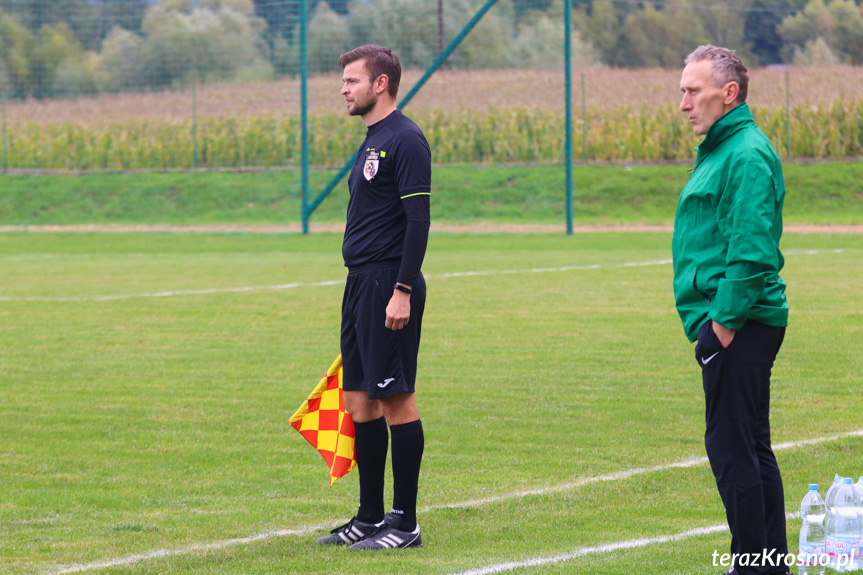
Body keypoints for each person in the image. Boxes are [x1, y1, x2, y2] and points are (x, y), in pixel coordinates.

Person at [673, 45, 790, 575]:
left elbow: (751, 252)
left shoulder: (743, 153)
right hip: (736, 321)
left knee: (732, 450)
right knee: (749, 446)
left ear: (729, 93)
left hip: (739, 323)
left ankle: (753, 565)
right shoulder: (723, 148)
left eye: (692, 91)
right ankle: (769, 563)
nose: (683, 103)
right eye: (682, 91)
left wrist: (719, 327)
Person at [316, 45, 431, 550]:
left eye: (351, 81)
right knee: (359, 399)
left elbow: (418, 221)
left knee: (395, 398)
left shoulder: (405, 139)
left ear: (379, 84)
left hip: (389, 283)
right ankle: (368, 517)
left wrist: (403, 289)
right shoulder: (372, 140)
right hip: (360, 282)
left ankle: (404, 524)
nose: (343, 89)